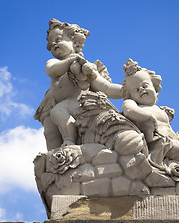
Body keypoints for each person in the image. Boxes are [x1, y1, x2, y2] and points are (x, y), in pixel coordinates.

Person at [35, 19, 122, 150]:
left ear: (75, 42)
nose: (54, 44)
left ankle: (69, 141)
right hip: (52, 102)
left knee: (58, 111)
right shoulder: (53, 62)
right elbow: (52, 71)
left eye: (58, 39)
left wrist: (126, 90)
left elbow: (105, 88)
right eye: (51, 43)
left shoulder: (85, 66)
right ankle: (54, 160)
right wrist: (70, 60)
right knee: (50, 132)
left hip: (77, 103)